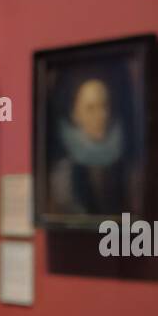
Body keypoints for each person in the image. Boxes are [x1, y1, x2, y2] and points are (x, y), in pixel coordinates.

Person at [49, 76, 133, 217]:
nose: (102, 115)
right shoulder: (62, 173)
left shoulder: (126, 163)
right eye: (90, 108)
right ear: (75, 114)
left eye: (104, 106)